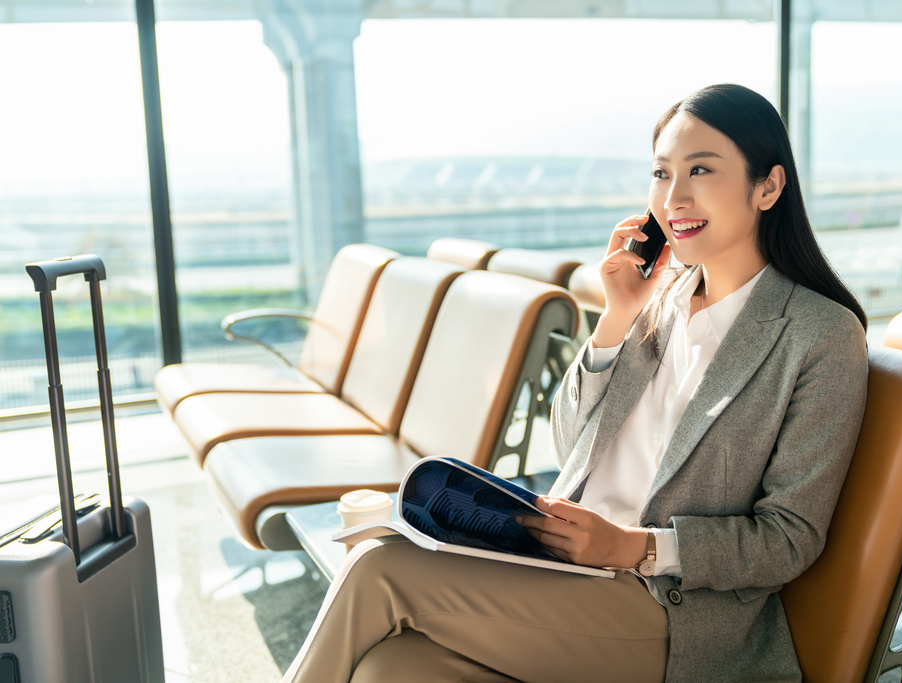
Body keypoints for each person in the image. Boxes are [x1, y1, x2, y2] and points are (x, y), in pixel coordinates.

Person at [281, 84, 869, 683]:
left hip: (671, 612)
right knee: (393, 669)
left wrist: (636, 547)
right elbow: (569, 445)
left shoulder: (820, 334)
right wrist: (615, 319)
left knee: (380, 570)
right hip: (566, 571)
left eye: (701, 170)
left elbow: (789, 538)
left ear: (767, 186)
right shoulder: (658, 299)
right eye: (662, 174)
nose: (675, 197)